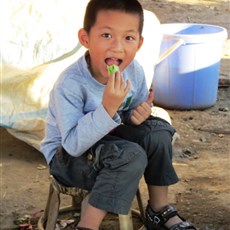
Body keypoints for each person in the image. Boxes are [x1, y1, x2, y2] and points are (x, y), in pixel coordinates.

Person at [40, 0, 197, 229]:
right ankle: (87, 225)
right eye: (106, 35)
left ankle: (159, 211)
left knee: (158, 132)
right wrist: (107, 108)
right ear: (85, 38)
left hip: (111, 144)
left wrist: (138, 114)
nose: (117, 47)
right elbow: (73, 145)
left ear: (139, 43)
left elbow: (134, 110)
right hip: (68, 157)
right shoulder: (71, 83)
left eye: (128, 38)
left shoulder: (134, 71)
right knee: (130, 156)